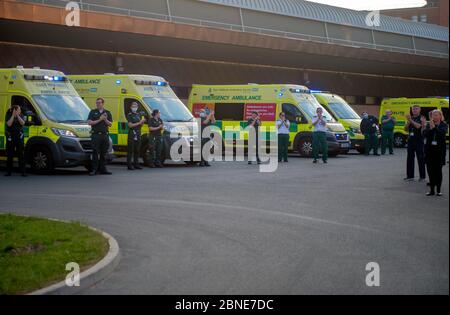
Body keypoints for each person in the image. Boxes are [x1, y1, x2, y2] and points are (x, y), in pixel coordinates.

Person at [423, 110, 448, 196]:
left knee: (438, 172)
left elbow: (441, 134)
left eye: (436, 115)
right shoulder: (428, 125)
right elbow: (424, 134)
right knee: (430, 172)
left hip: (439, 152)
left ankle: (438, 190)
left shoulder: (444, 125)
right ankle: (432, 190)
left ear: (440, 116)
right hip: (429, 152)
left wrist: (433, 127)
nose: (434, 117)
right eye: (433, 115)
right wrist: (429, 128)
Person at [87, 98, 113, 176]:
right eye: (97, 103)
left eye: (99, 103)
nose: (98, 104)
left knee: (103, 153)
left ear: (103, 103)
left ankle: (103, 169)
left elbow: (110, 124)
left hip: (104, 135)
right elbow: (89, 122)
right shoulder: (93, 112)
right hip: (96, 135)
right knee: (95, 152)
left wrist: (105, 119)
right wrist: (100, 119)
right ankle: (94, 169)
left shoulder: (107, 112)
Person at [404, 105, 427, 182]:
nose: (414, 110)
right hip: (411, 140)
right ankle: (410, 176)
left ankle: (422, 176)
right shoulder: (411, 118)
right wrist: (408, 122)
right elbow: (405, 129)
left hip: (419, 140)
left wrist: (410, 120)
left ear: (420, 110)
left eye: (416, 109)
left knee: (420, 158)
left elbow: (418, 126)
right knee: (410, 158)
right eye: (413, 109)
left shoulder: (422, 117)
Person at [4, 104, 26, 177]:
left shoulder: (21, 115)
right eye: (19, 109)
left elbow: (23, 123)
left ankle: (22, 172)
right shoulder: (8, 115)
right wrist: (13, 115)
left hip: (19, 137)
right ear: (15, 110)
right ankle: (8, 172)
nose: (20, 110)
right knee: (10, 155)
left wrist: (18, 116)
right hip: (11, 137)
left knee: (21, 155)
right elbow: (9, 124)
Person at [126, 102, 146, 170]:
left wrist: (142, 123)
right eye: (133, 106)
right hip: (132, 133)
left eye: (136, 106)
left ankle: (136, 164)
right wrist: (139, 123)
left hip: (138, 133)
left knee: (137, 150)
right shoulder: (129, 115)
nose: (134, 107)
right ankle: (129, 165)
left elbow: (140, 125)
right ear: (131, 107)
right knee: (130, 150)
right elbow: (130, 125)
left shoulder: (138, 114)